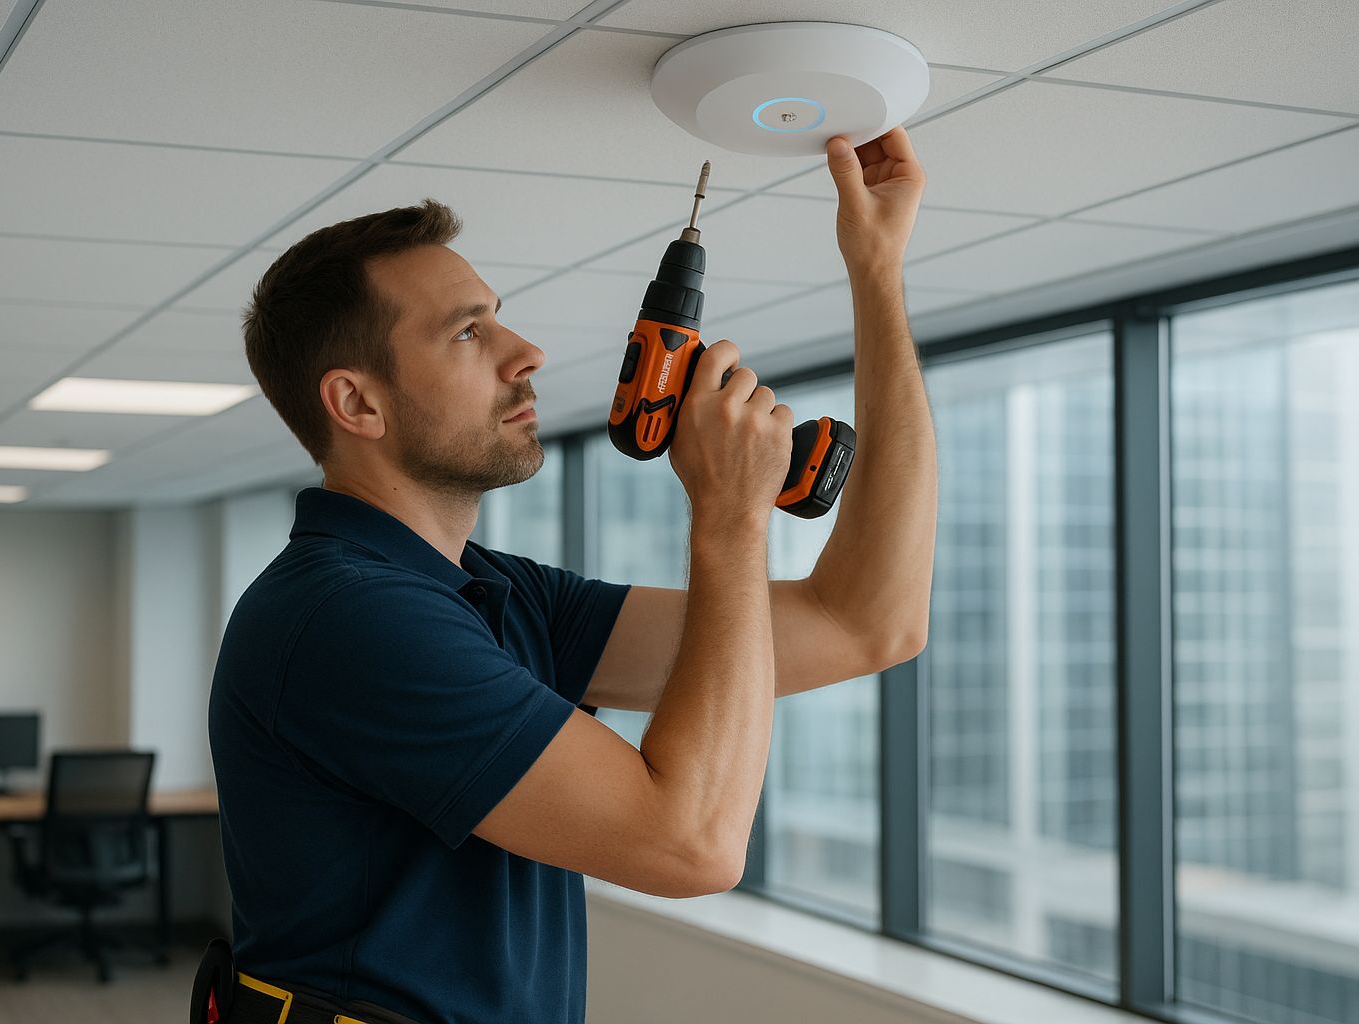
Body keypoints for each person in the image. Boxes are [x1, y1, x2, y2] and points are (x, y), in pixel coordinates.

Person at [205, 128, 936, 1024]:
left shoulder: (496, 596)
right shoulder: (342, 618)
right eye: (468, 333)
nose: (526, 352)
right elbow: (692, 846)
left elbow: (869, 622)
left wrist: (877, 268)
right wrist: (731, 520)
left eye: (497, 314)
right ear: (358, 402)